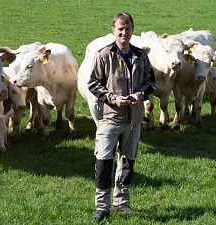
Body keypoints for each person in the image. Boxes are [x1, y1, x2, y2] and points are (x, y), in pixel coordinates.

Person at [88, 12, 155, 222]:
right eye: (120, 29)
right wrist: (112, 98)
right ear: (113, 30)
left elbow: (151, 82)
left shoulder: (141, 56)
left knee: (127, 163)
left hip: (134, 120)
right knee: (104, 163)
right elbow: (92, 83)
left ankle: (122, 204)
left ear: (132, 29)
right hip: (109, 118)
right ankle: (102, 207)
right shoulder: (103, 55)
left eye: (127, 29)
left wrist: (139, 95)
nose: (124, 32)